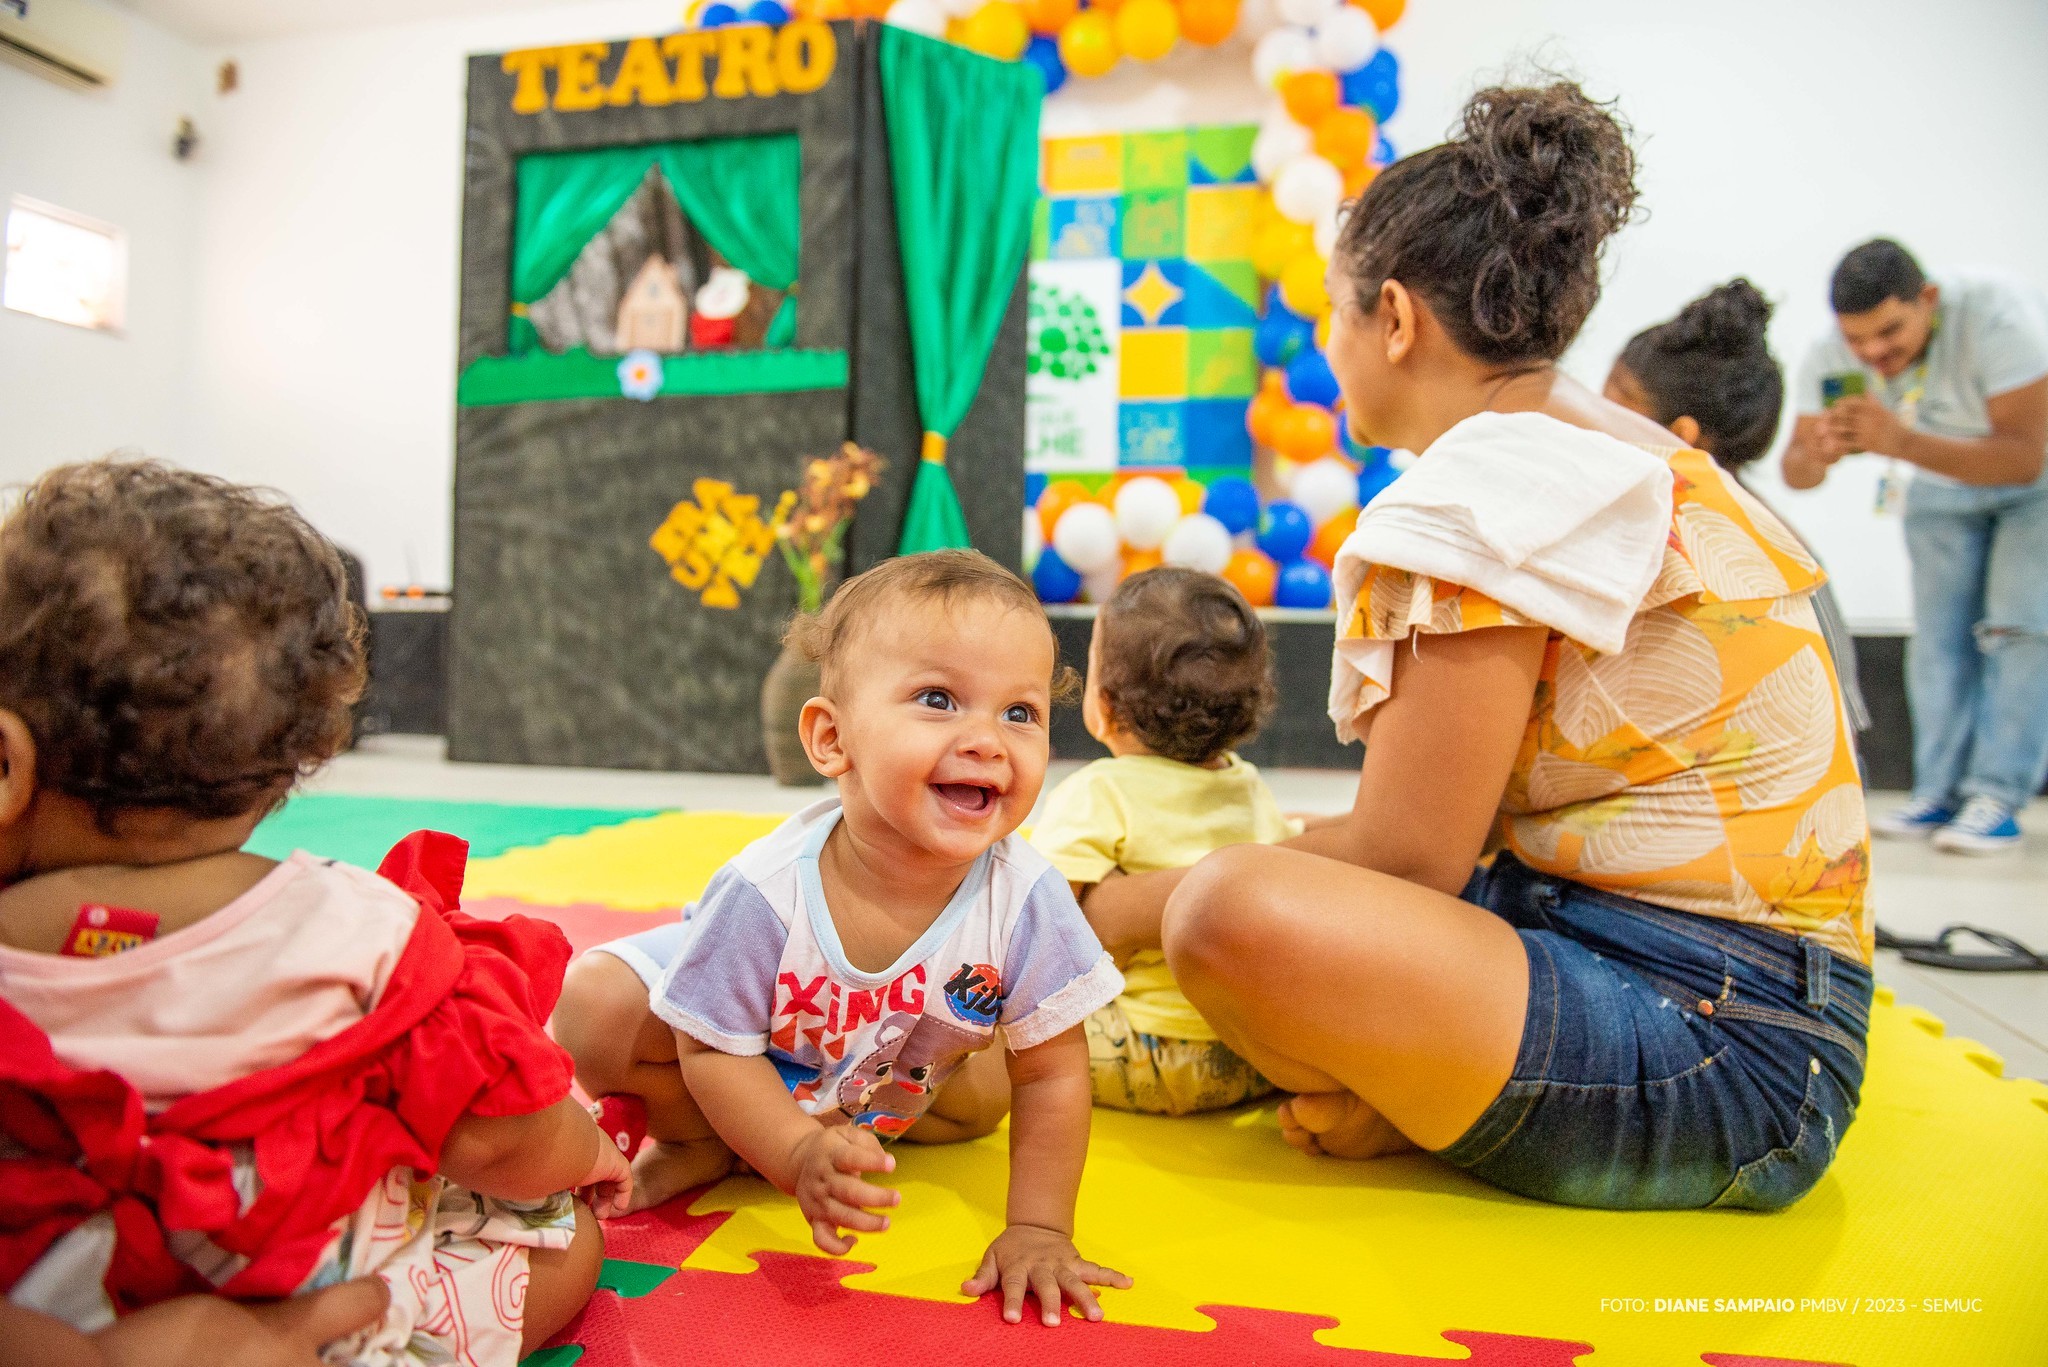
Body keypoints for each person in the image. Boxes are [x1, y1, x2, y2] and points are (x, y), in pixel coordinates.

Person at [1082, 83, 1873, 1212]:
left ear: (1394, 319)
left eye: (1331, 312)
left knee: (1220, 911)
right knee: (1251, 877)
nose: (1326, 343)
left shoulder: (1480, 492)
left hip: (1723, 1050)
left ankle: (1419, 1102)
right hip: (1743, 1001)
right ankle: (1430, 1092)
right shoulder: (1599, 442)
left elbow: (1410, 859)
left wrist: (1107, 908)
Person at [0, 461, 627, 1367]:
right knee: (563, 1240)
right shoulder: (361, 935)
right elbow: (500, 1137)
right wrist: (589, 1149)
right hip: (296, 1313)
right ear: (304, 754)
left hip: (50, 1321)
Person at [553, 550, 1133, 1327]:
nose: (990, 740)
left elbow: (1056, 1078)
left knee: (1000, 1088)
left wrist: (1038, 1228)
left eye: (1020, 713)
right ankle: (704, 1140)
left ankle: (826, 1126)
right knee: (592, 1009)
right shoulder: (764, 890)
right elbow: (712, 1049)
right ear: (832, 739)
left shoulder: (1026, 895)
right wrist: (792, 1154)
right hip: (741, 1041)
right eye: (939, 698)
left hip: (882, 1064)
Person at [1783, 240, 2048, 853]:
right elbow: (1796, 470)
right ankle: (1936, 793)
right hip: (1936, 484)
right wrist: (1818, 452)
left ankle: (1995, 797)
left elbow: (2022, 459)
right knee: (1938, 640)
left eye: (1891, 331)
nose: (1875, 352)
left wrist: (1898, 441)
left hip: (2033, 486)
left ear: (1928, 299)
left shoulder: (1998, 315)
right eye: (1858, 340)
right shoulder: (1833, 351)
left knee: (2019, 634)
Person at [1030, 567, 1292, 1116]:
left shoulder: (1099, 792)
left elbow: (1040, 922)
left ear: (1103, 703)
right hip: (1251, 1057)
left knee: (1005, 1036)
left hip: (1144, 1051)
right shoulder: (1247, 786)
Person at [1603, 277, 1871, 732]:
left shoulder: (1739, 551)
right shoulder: (1776, 540)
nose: (1588, 423)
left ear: (1680, 436)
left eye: (1608, 411)